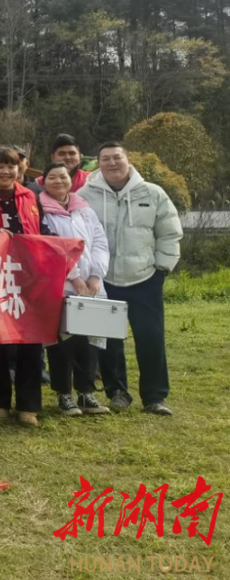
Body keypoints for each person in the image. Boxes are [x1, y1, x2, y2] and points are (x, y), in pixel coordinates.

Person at [78, 142, 182, 416]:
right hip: (102, 280)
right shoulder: (84, 195)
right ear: (98, 163)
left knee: (151, 338)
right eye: (106, 159)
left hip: (145, 278)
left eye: (117, 157)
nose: (112, 163)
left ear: (128, 160)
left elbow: (169, 232)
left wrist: (162, 267)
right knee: (108, 340)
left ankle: (155, 396)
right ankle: (117, 392)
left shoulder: (152, 193)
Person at [0, 147, 46, 426]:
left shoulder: (31, 196)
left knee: (31, 339)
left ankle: (28, 405)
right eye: (0, 166)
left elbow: (41, 231)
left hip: (29, 276)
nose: (6, 171)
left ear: (20, 169)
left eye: (11, 166)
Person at [39, 162, 111, 417]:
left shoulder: (84, 209)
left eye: (63, 176)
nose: (58, 181)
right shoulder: (41, 209)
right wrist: (75, 277)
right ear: (43, 182)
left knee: (89, 341)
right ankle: (64, 394)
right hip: (60, 286)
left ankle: (86, 393)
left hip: (91, 286)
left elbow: (100, 241)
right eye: (52, 177)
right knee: (62, 342)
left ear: (71, 180)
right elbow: (51, 247)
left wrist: (95, 275)